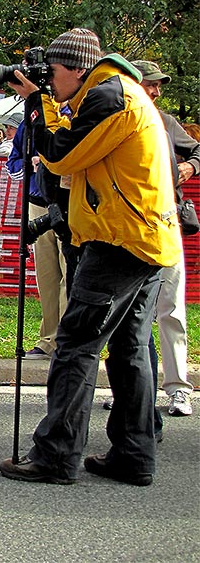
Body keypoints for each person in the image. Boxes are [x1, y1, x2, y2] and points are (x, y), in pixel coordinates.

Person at [0, 28, 182, 487]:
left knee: (77, 344)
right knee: (129, 349)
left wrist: (38, 105)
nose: (51, 81)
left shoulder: (109, 98)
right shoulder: (118, 93)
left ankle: (57, 456)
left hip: (120, 241)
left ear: (76, 69)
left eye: (54, 73)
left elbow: (61, 157)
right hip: (144, 239)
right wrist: (47, 102)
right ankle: (134, 455)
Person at [131, 60, 199, 417]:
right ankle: (133, 388)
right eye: (150, 84)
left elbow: (197, 151)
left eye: (159, 86)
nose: (156, 91)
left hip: (166, 224)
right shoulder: (118, 120)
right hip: (126, 229)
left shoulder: (166, 122)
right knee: (129, 315)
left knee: (170, 309)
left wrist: (190, 165)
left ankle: (177, 389)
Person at [6, 116, 68, 359]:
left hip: (69, 203)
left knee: (69, 274)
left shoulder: (75, 113)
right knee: (47, 275)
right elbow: (13, 162)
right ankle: (48, 338)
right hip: (38, 203)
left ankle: (66, 339)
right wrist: (29, 162)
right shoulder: (30, 122)